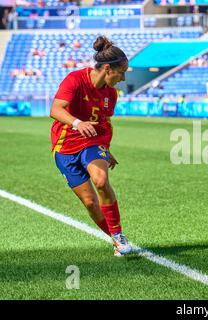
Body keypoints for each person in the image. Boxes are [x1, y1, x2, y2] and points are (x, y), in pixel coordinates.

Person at [50, 36, 132, 257]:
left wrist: (105, 150)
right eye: (121, 72)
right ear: (107, 68)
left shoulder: (111, 94)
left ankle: (118, 234)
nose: (123, 78)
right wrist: (78, 123)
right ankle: (115, 240)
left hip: (93, 143)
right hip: (65, 147)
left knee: (101, 181)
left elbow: (104, 124)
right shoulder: (75, 80)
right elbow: (55, 110)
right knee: (89, 202)